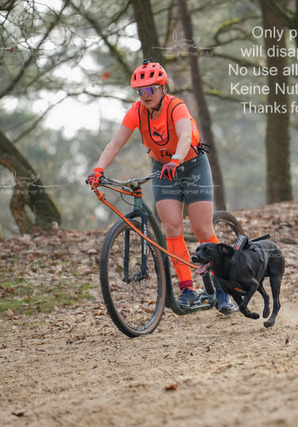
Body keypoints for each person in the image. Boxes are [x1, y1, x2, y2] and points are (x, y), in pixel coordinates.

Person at [88, 59, 237, 314]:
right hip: (163, 168)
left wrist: (176, 159)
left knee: (202, 229)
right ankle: (187, 289)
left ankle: (223, 289)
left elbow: (186, 136)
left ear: (162, 88)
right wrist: (98, 169)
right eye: (140, 90)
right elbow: (115, 143)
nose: (145, 95)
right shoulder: (136, 112)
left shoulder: (176, 106)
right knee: (172, 227)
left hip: (192, 165)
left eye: (150, 89)